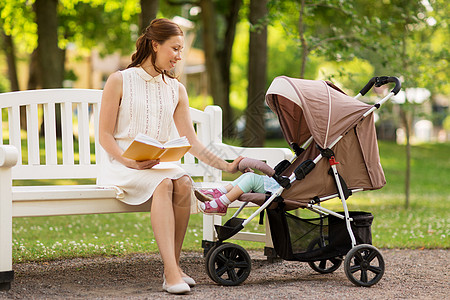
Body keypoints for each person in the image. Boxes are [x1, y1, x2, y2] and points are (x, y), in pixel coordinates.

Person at [97, 18, 243, 294]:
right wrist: (128, 160)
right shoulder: (119, 80)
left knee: (184, 181)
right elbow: (105, 135)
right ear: (155, 45)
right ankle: (172, 271)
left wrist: (228, 166)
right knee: (164, 184)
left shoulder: (176, 89)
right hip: (122, 165)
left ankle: (171, 268)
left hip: (158, 164)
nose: (178, 56)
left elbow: (192, 142)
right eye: (174, 49)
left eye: (181, 50)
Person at [196, 171, 281, 216]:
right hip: (277, 183)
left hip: (276, 189)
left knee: (251, 178)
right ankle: (220, 193)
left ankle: (222, 204)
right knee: (248, 175)